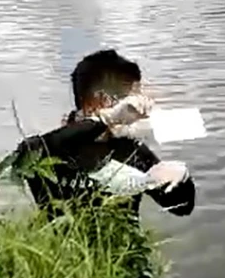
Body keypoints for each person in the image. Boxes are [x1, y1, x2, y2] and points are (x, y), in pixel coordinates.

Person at [12, 49, 196, 221]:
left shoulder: (130, 150)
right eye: (132, 101)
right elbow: (30, 152)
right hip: (63, 244)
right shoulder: (49, 149)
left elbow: (181, 208)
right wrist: (107, 119)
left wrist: (180, 179)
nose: (139, 111)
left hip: (123, 244)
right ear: (101, 101)